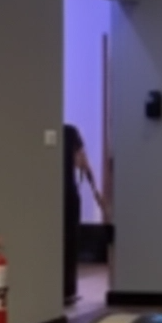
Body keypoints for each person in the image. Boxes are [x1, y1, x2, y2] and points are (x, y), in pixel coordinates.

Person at [63, 123, 106, 306]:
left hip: (51, 197)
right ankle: (68, 291)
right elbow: (82, 163)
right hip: (69, 195)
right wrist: (95, 191)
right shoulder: (70, 132)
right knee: (70, 242)